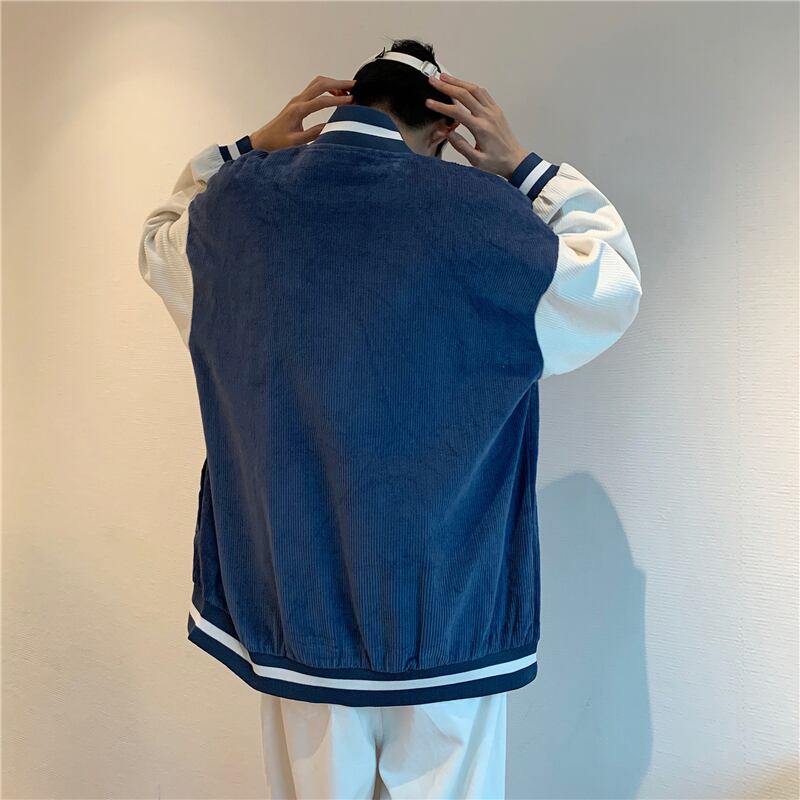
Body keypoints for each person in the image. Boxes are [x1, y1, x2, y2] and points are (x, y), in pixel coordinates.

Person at [138, 38, 642, 800]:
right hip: (446, 613)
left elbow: (159, 240)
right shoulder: (484, 216)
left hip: (300, 610)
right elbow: (612, 281)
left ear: (346, 102)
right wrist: (523, 166)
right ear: (444, 127)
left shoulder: (240, 211)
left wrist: (248, 148)